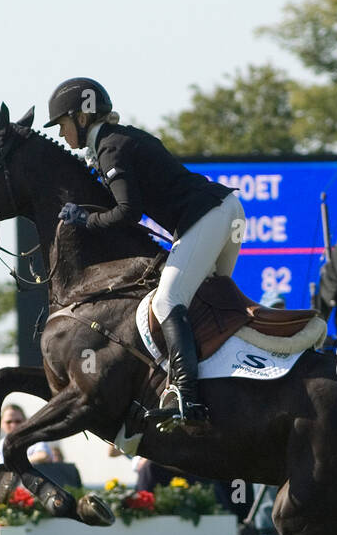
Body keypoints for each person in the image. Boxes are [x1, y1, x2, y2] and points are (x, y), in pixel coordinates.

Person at [43, 77, 244, 434]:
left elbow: (127, 212)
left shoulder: (110, 147)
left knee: (168, 302)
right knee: (210, 303)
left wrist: (85, 221)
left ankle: (187, 397)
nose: (61, 134)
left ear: (82, 118)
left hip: (209, 215)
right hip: (225, 212)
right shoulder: (115, 141)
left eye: (62, 124)